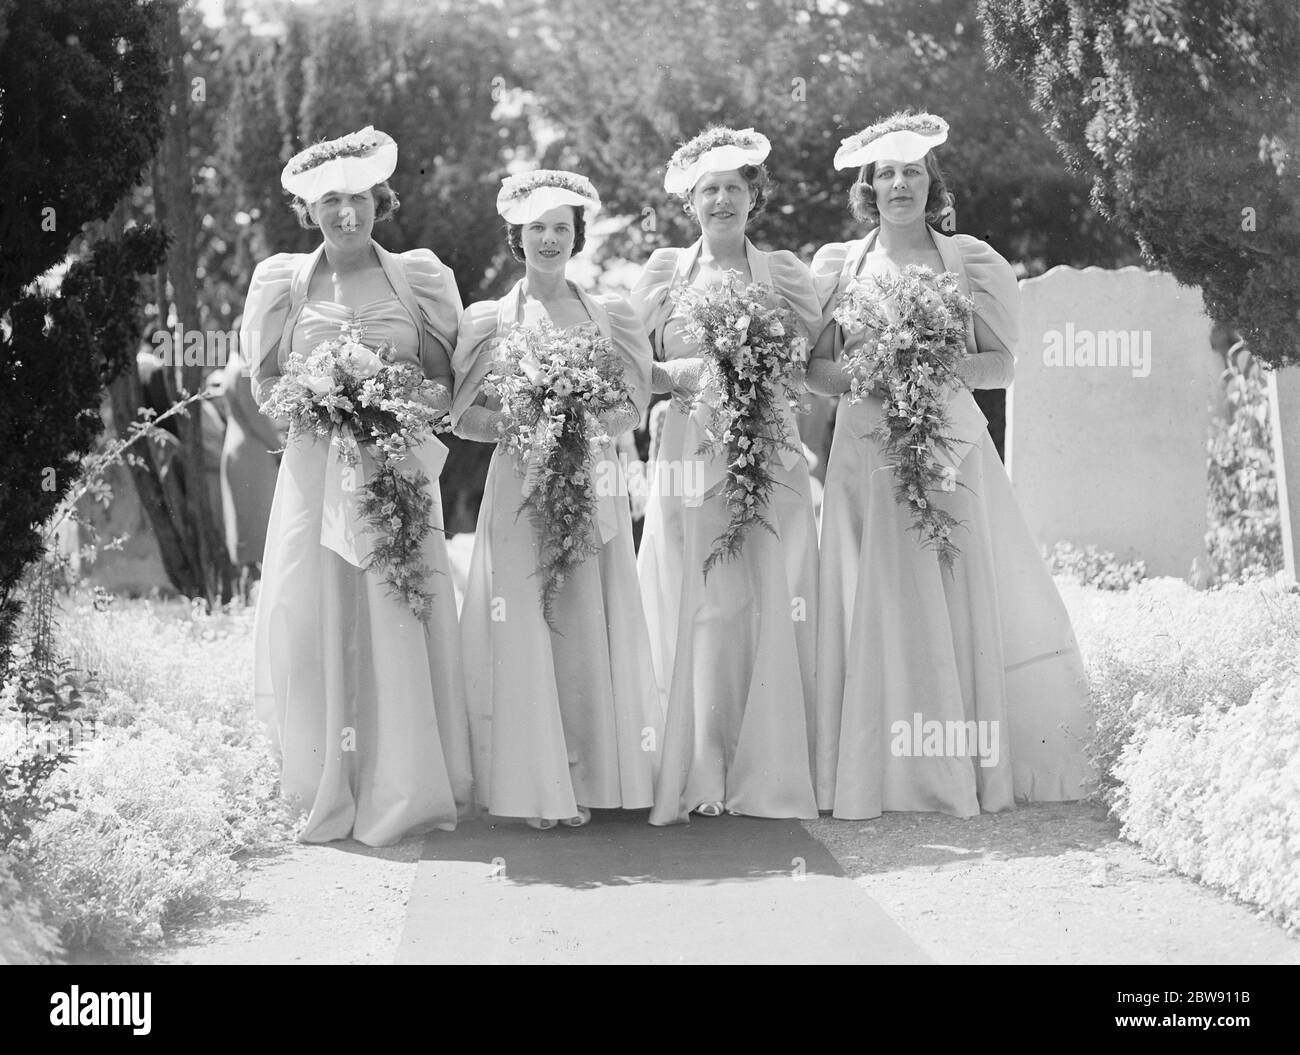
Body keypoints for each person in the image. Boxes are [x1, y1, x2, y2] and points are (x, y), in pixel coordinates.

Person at [808, 112, 1094, 821]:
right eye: (885, 173)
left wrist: (928, 361)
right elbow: (813, 369)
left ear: (932, 183)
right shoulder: (838, 265)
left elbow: (1002, 365)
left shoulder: (967, 259)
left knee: (954, 595)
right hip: (866, 450)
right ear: (866, 188)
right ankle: (871, 771)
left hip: (951, 448)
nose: (899, 183)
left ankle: (957, 768)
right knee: (874, 599)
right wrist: (872, 370)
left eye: (913, 171)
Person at [241, 126, 472, 846]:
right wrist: (319, 402)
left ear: (382, 200)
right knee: (315, 615)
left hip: (397, 471)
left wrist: (390, 406)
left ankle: (404, 781)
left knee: (397, 612)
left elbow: (446, 378)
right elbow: (264, 380)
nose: (348, 214)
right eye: (331, 202)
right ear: (310, 210)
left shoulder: (419, 277)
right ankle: (322, 779)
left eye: (361, 199)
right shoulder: (283, 282)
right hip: (315, 475)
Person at [451, 170, 660, 830]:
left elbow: (633, 405)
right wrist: (526, 421)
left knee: (583, 619)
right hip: (518, 487)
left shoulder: (610, 313)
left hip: (591, 480)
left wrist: (581, 416)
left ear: (577, 237)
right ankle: (535, 783)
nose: (548, 239)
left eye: (560, 228)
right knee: (525, 622)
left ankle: (594, 775)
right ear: (517, 235)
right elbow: (461, 417)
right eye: (536, 227)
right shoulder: (489, 319)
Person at [632, 128, 822, 824]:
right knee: (703, 604)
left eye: (734, 187)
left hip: (768, 449)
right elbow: (632, 366)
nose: (722, 199)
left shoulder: (783, 272)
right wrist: (699, 371)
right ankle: (701, 766)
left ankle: (770, 766)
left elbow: (815, 362)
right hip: (689, 450)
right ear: (690, 200)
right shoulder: (663, 274)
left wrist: (759, 363)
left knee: (772, 597)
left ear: (754, 197)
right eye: (709, 188)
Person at [213, 349, 283, 593]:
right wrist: (280, 447)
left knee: (245, 526)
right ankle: (252, 595)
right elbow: (258, 419)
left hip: (239, 449)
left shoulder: (232, 367)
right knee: (258, 527)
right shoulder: (243, 371)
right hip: (253, 453)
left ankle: (245, 593)